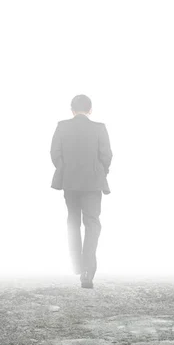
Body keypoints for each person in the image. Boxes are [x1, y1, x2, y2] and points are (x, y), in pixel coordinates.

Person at [50, 95, 112, 289]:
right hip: (93, 184)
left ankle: (77, 264)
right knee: (92, 223)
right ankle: (87, 270)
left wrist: (64, 170)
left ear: (72, 110)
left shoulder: (62, 126)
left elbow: (55, 153)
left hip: (70, 182)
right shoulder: (99, 128)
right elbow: (106, 155)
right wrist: (100, 171)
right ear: (90, 110)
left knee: (73, 221)